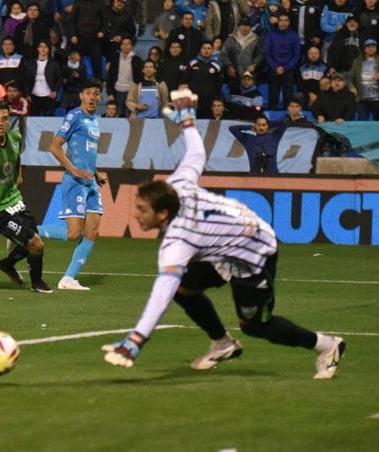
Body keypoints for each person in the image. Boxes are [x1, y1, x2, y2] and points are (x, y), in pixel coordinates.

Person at [102, 89, 346, 380]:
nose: (136, 215)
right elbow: (196, 153)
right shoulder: (177, 184)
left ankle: (327, 346)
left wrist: (136, 340)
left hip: (255, 253)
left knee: (255, 326)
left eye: (142, 210)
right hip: (224, 247)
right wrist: (188, 122)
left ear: (163, 214)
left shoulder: (178, 240)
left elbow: (161, 291)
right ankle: (222, 343)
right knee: (185, 289)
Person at [0, 101, 53, 294]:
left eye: (5, 118)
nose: (0, 123)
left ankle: (6, 264)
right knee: (36, 244)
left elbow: (16, 157)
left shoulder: (15, 137)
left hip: (15, 199)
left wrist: (19, 175)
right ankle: (37, 283)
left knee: (32, 240)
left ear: (9, 121)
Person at [40, 78, 107, 291]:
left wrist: (96, 173)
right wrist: (73, 170)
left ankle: (68, 278)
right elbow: (54, 146)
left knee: (93, 231)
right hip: (75, 183)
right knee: (73, 234)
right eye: (88, 93)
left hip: (90, 183)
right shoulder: (74, 117)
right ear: (81, 96)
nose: (92, 97)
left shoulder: (94, 120)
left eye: (96, 93)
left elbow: (83, 152)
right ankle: (27, 231)